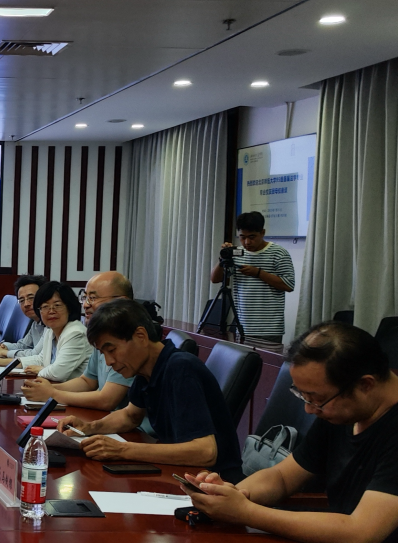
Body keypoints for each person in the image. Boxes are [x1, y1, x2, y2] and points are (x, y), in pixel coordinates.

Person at [183, 322, 398, 543]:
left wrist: (245, 512)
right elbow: (282, 477)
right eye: (304, 397)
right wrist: (232, 495)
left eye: (317, 399)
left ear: (365, 385)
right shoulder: (343, 410)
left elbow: (361, 531)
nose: (309, 409)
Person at [58, 299, 243, 483]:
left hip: (215, 483)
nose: (108, 361)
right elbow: (130, 416)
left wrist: (122, 449)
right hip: (181, 473)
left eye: (112, 350)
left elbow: (205, 452)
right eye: (103, 353)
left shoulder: (181, 369)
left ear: (141, 336)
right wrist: (88, 428)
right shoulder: (145, 369)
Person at [21, 271, 135, 409]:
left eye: (92, 298)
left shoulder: (130, 339)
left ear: (121, 301)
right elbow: (87, 382)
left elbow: (107, 400)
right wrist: (46, 389)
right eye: (85, 297)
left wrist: (53, 393)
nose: (85, 305)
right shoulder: (101, 337)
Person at [210, 211, 295, 343]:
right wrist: (223, 258)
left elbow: (288, 285)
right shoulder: (237, 253)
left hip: (269, 328)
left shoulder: (279, 253)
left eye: (252, 237)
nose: (247, 242)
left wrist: (258, 273)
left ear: (262, 232)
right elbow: (215, 279)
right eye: (242, 237)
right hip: (242, 326)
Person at [0, 281, 91, 382]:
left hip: (74, 390)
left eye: (57, 305)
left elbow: (57, 374)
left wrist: (40, 370)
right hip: (54, 387)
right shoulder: (50, 330)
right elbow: (40, 359)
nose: (51, 311)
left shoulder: (76, 333)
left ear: (69, 308)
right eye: (45, 307)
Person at [0, 275, 47, 358]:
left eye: (31, 298)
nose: (26, 304)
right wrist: (2, 346)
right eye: (22, 300)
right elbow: (23, 345)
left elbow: (36, 354)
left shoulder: (52, 325)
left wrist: (4, 353)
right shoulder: (36, 323)